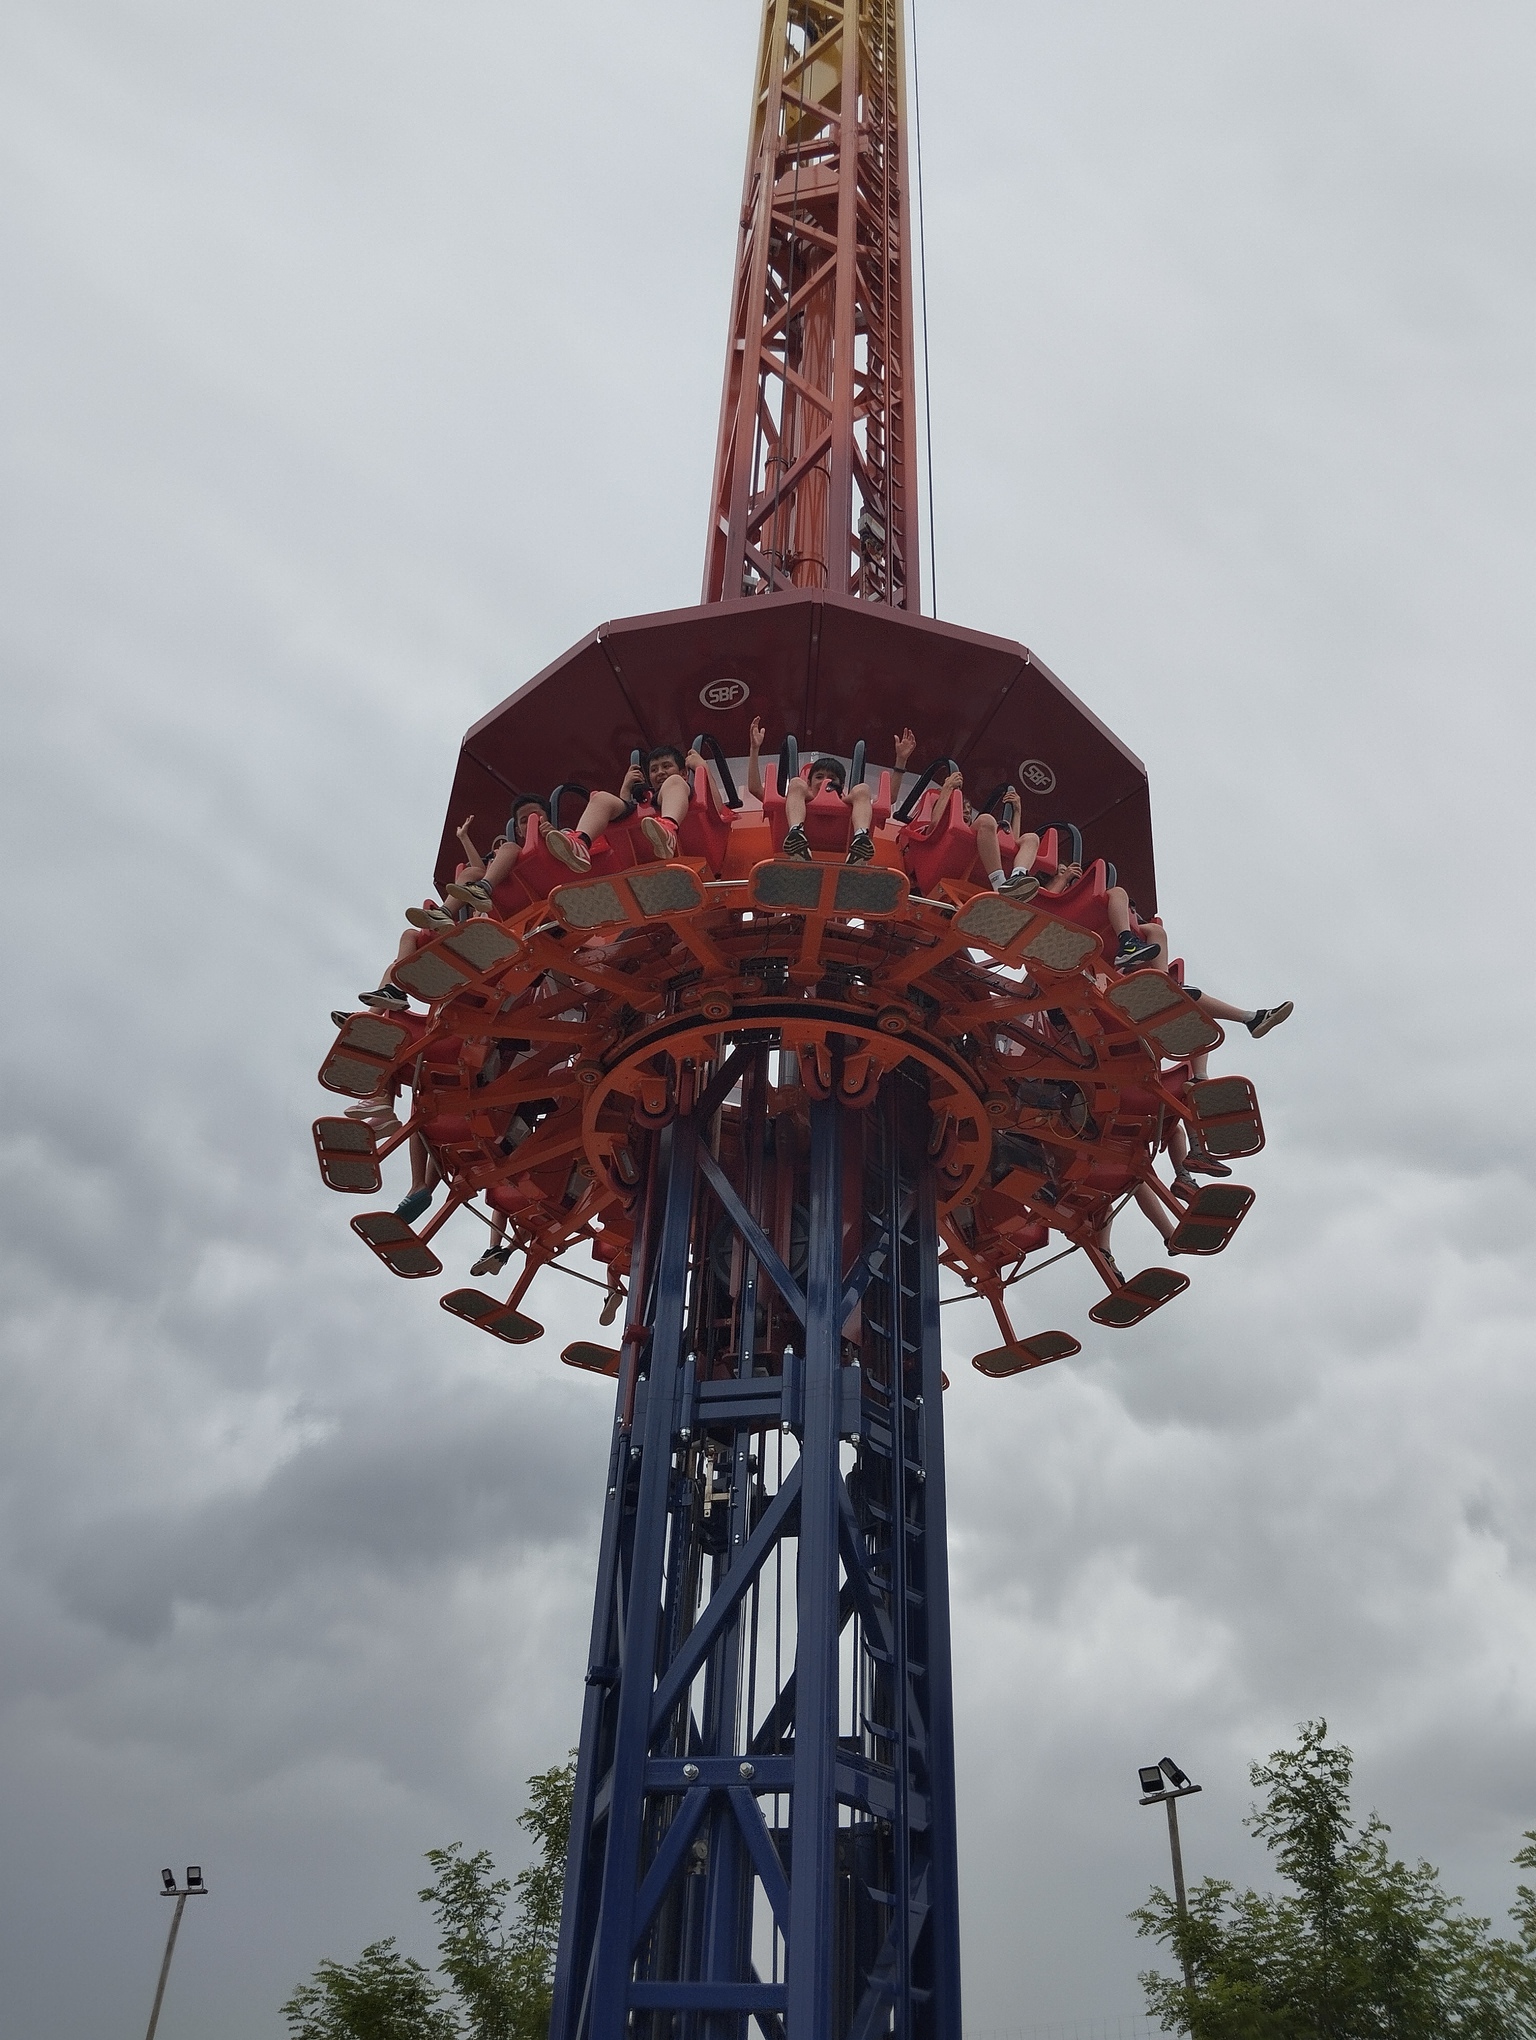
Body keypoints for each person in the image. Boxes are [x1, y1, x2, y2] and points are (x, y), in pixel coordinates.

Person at [745, 722, 917, 863]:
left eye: (831, 778)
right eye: (819, 777)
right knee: (795, 783)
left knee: (863, 789)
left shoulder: (855, 804)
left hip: (845, 856)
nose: (825, 781)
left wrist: (901, 760)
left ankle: (861, 839)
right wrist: (754, 749)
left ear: (841, 785)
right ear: (809, 783)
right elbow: (755, 788)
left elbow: (889, 799)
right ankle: (796, 834)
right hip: (794, 858)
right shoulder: (793, 800)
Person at [543, 743, 706, 871]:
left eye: (666, 766)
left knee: (673, 782)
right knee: (600, 797)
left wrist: (701, 766)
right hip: (640, 852)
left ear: (684, 773)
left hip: (694, 840)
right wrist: (626, 787)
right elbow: (625, 817)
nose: (660, 772)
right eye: (654, 770)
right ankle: (581, 842)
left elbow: (714, 805)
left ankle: (669, 828)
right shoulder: (648, 797)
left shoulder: (682, 785)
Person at [900, 768, 1041, 899]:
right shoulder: (939, 832)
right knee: (986, 820)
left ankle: (1016, 878)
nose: (967, 811)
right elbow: (935, 824)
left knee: (1032, 838)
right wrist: (948, 788)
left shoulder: (984, 840)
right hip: (937, 871)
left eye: (968, 808)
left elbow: (1010, 847)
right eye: (962, 807)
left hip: (979, 878)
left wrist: (1017, 811)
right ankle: (1000, 884)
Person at [441, 796, 548, 914]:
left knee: (509, 847)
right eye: (524, 821)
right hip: (514, 898)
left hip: (548, 882)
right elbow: (481, 872)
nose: (531, 822)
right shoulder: (514, 855)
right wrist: (464, 837)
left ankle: (483, 888)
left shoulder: (561, 834)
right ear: (518, 831)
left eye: (535, 815)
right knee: (471, 872)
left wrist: (552, 835)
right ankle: (443, 913)